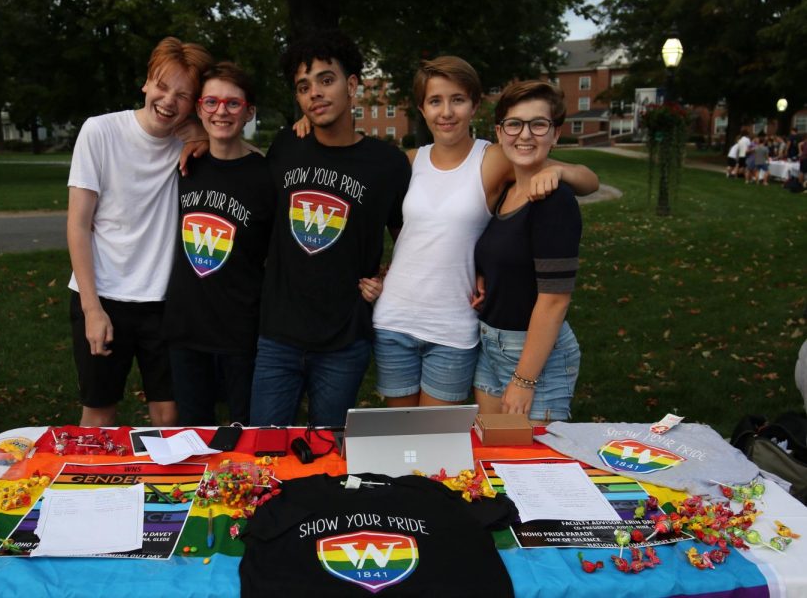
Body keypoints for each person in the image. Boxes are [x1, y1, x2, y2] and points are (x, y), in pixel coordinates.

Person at [371, 57, 598, 408]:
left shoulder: (494, 158)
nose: (446, 112)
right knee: (401, 438)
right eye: (435, 101)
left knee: (434, 443)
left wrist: (562, 174)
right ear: (422, 108)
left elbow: (588, 179)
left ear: (475, 105)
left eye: (457, 99)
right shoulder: (409, 161)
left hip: (453, 325)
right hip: (394, 318)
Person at [249, 30, 412, 427]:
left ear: (352, 85)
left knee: (328, 457)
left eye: (326, 80)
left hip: (344, 338)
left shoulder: (386, 163)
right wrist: (197, 140)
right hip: (278, 335)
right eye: (304, 87)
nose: (315, 93)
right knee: (265, 452)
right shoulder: (287, 146)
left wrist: (391, 277)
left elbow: (409, 236)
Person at [67, 37, 212, 427]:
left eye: (183, 95)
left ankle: (163, 489)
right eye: (163, 87)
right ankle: (96, 489)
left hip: (165, 302)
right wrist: (92, 309)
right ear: (146, 83)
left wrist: (201, 133)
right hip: (103, 297)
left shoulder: (194, 146)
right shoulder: (99, 132)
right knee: (99, 413)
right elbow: (78, 224)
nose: (168, 101)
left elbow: (250, 163)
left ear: (194, 103)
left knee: (169, 415)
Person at [163, 62, 275, 426]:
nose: (221, 112)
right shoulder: (183, 167)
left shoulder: (267, 175)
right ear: (199, 109)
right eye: (211, 102)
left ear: (249, 112)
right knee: (193, 433)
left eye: (232, 104)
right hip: (186, 326)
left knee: (245, 431)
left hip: (241, 327)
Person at [473, 81, 583, 424]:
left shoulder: (555, 202)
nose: (525, 135)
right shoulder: (507, 190)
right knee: (493, 461)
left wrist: (524, 380)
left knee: (530, 468)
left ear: (556, 134)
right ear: (499, 132)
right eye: (514, 124)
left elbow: (555, 300)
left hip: (534, 357)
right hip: (490, 346)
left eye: (538, 124)